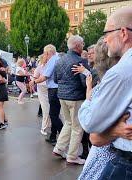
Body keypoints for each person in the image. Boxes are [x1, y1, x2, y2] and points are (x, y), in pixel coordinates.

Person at [78, 7, 132, 179]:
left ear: (123, 33)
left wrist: (88, 101)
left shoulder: (121, 72)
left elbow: (91, 123)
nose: (105, 40)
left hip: (125, 162)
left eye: (107, 32)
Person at [77, 37, 121, 180]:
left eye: (92, 53)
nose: (90, 55)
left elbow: (95, 136)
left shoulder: (105, 82)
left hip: (107, 156)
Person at [52, 35, 89, 165]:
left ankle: (59, 148)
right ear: (78, 46)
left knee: (68, 123)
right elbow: (85, 83)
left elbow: (56, 80)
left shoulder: (59, 60)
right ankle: (72, 156)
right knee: (77, 127)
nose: (83, 46)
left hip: (62, 96)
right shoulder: (81, 61)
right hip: (76, 97)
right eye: (83, 44)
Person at [29, 44, 63, 145]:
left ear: (48, 53)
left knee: (53, 115)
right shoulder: (59, 58)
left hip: (54, 89)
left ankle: (62, 136)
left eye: (45, 53)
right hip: (57, 88)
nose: (45, 55)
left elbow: (45, 76)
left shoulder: (53, 60)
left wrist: (34, 82)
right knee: (55, 114)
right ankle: (53, 136)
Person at [33, 54, 51, 136]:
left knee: (53, 110)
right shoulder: (39, 67)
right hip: (42, 90)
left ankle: (51, 125)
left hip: (50, 90)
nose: (47, 59)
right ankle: (43, 128)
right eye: (46, 58)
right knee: (46, 110)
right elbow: (35, 78)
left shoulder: (50, 66)